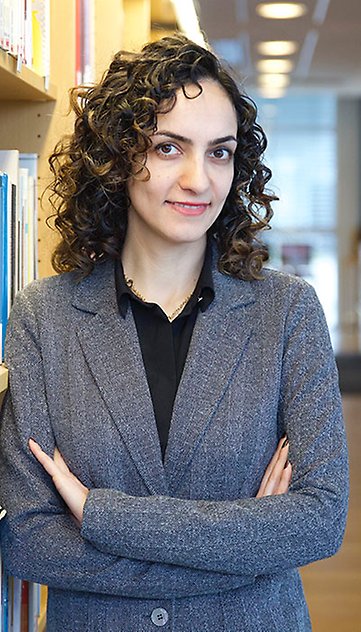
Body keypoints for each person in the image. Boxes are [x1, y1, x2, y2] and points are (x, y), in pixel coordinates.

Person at [0, 34, 348, 632]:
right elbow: (30, 542)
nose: (198, 180)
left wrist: (100, 514)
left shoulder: (288, 313)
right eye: (168, 148)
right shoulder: (44, 318)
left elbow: (319, 519)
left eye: (220, 152)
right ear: (116, 157)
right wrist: (248, 550)